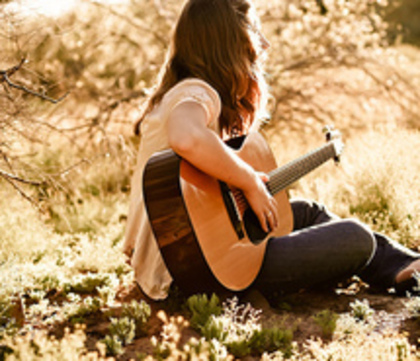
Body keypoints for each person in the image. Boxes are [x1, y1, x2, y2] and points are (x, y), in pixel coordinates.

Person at [122, 0, 420, 301]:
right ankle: (393, 266)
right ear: (226, 42)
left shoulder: (182, 92)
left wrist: (246, 187)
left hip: (186, 261)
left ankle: (402, 266)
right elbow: (186, 137)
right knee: (356, 238)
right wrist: (249, 181)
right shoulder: (197, 93)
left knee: (304, 212)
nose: (264, 44)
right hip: (193, 271)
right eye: (254, 32)